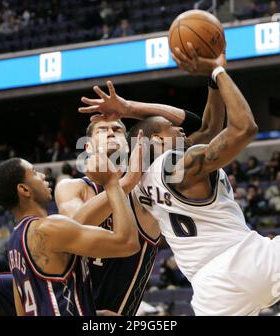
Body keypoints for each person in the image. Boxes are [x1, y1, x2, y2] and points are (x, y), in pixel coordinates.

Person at [84, 43, 280, 315]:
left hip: (211, 291)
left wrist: (128, 107)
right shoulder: (178, 165)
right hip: (248, 258)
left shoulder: (140, 178)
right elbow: (244, 129)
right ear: (156, 139)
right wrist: (218, 70)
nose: (182, 129)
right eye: (173, 129)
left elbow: (209, 127)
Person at [55, 53, 226, 315]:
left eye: (118, 130)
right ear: (88, 146)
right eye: (103, 130)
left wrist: (131, 109)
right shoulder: (72, 187)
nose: (111, 132)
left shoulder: (147, 185)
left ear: (130, 142)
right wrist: (122, 184)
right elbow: (73, 228)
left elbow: (198, 127)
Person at [0, 156, 139, 316]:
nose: (43, 176)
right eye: (34, 172)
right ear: (24, 189)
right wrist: (112, 183)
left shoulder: (13, 243)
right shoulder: (48, 228)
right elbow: (128, 242)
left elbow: (22, 309)